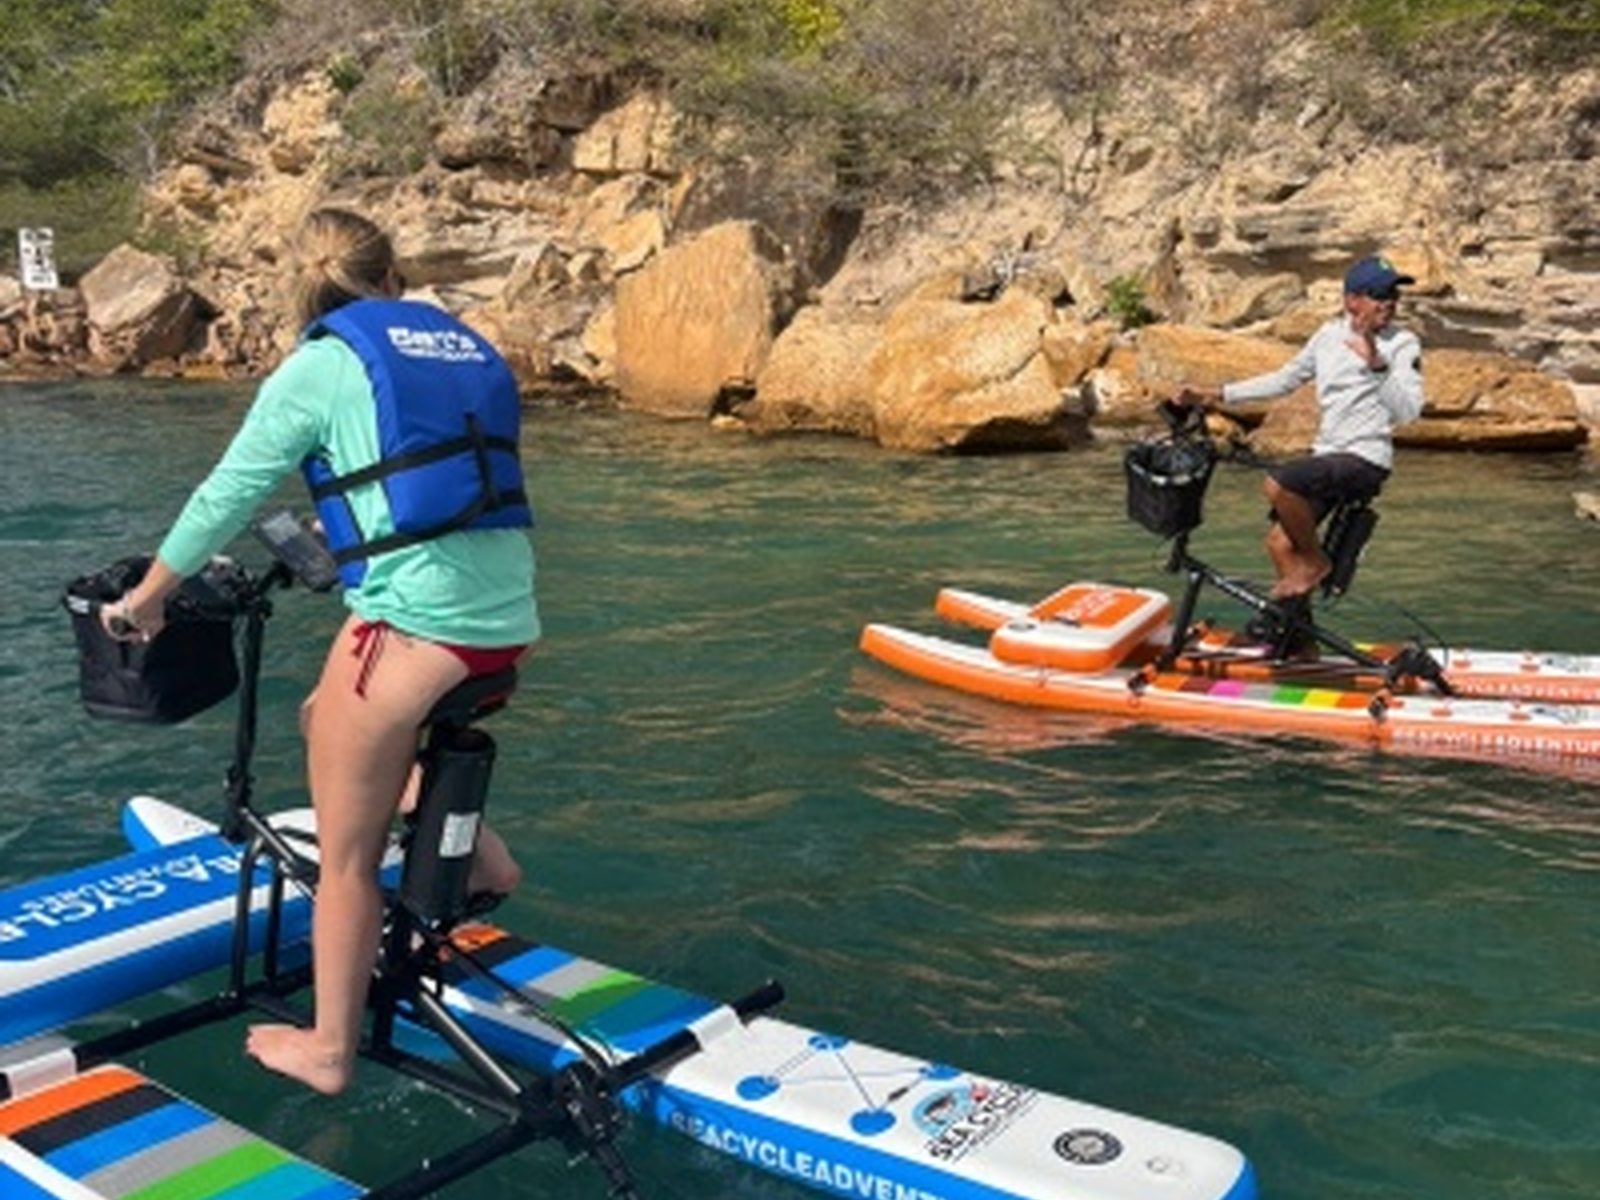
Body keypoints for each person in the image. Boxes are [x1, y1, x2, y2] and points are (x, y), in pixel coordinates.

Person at [101, 208, 539, 1095]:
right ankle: (479, 856)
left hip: (412, 630)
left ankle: (329, 1048)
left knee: (344, 860)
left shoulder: (318, 365)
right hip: (504, 623)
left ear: (301, 292)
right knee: (321, 714)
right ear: (392, 276)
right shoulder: (453, 344)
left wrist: (145, 600)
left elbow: (230, 491)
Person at [1177, 254, 1424, 598]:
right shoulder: (1327, 336)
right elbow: (1284, 380)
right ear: (1352, 300)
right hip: (1328, 454)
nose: (1391, 303)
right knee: (1279, 543)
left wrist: (1376, 365)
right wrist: (1213, 394)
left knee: (1279, 484)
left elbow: (1408, 412)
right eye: (1381, 295)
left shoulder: (1402, 344)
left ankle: (1314, 561)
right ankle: (1296, 640)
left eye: (1394, 296)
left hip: (1365, 458)